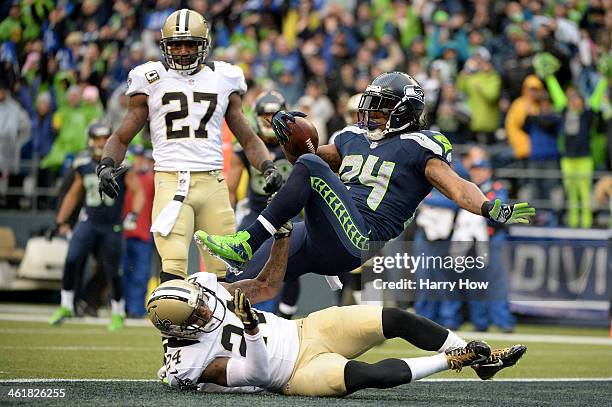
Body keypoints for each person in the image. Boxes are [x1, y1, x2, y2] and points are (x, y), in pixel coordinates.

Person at [196, 72, 535, 288]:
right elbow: (302, 161)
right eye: (371, 106)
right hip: (324, 231)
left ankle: (246, 241)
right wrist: (289, 136)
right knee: (244, 279)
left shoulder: (420, 146)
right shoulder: (352, 138)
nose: (371, 114)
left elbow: (459, 187)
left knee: (312, 169)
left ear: (404, 111)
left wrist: (490, 207)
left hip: (360, 237)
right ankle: (205, 337)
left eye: (381, 108)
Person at [147, 220, 527, 396]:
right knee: (368, 376)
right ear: (177, 331)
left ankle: (483, 361)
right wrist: (250, 330)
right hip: (294, 373)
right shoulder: (192, 361)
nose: (207, 312)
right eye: (197, 317)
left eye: (200, 305)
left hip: (304, 329)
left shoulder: (204, 288)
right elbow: (259, 375)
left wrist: (283, 237)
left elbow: (265, 285)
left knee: (392, 318)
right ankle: (456, 360)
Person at [96, 9, 282, 283]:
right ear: (165, 46)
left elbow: (248, 137)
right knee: (172, 265)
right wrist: (106, 164)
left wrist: (268, 167)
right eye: (175, 44)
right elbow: (123, 135)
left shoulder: (223, 77)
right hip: (171, 181)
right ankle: (171, 326)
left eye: (190, 44)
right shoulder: (151, 78)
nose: (182, 51)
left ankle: (221, 327)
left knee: (223, 273)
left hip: (213, 184)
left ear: (204, 45)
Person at [48, 122, 144, 331]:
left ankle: (118, 312)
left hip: (112, 225)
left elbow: (138, 191)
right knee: (72, 258)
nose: (101, 143)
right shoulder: (82, 163)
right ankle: (66, 305)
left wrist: (134, 215)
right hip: (89, 220)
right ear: (90, 140)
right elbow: (74, 194)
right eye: (98, 138)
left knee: (113, 271)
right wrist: (60, 221)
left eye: (105, 138)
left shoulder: (121, 162)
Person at [226, 89, 296, 313]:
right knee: (236, 263)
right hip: (257, 211)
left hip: (291, 213)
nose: (268, 121)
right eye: (264, 116)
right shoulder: (247, 148)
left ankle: (285, 318)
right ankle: (236, 313)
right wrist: (227, 219)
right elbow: (230, 188)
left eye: (273, 115)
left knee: (293, 264)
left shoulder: (297, 143)